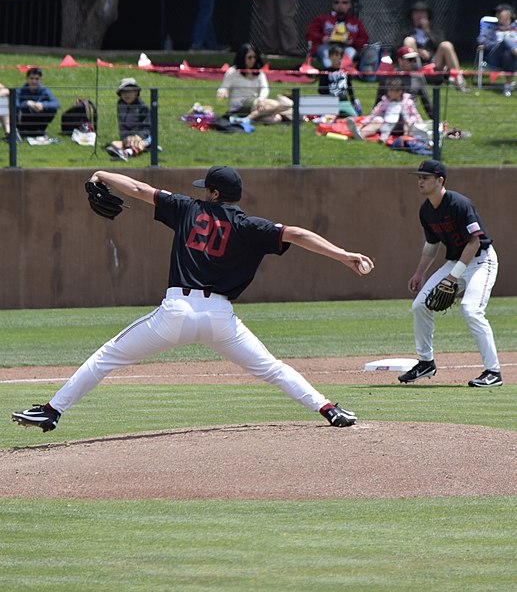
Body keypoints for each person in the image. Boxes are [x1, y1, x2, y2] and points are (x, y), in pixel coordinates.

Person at [12, 166, 375, 433]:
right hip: (220, 318)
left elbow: (138, 188)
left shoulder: (188, 208)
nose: (203, 193)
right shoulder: (249, 226)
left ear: (215, 194)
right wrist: (345, 255)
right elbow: (295, 233)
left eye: (208, 190)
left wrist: (102, 174)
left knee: (108, 357)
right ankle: (329, 409)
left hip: (175, 312)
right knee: (272, 368)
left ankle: (52, 410)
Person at [398, 160, 502, 388]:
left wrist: (454, 276)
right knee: (419, 305)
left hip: (481, 261)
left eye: (425, 177)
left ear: (440, 180)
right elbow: (432, 245)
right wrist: (419, 274)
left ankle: (493, 372)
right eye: (419, 177)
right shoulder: (426, 210)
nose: (420, 181)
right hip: (455, 261)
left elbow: (474, 242)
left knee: (471, 309)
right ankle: (426, 362)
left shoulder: (459, 203)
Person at [216, 43, 293, 124]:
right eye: (249, 57)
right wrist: (222, 92)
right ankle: (247, 119)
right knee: (276, 105)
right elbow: (223, 87)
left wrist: (261, 99)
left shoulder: (258, 72)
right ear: (242, 57)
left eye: (254, 57)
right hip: (238, 105)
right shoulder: (232, 72)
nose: (252, 60)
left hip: (255, 102)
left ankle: (245, 119)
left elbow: (265, 88)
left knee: (276, 119)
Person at [402, 1, 468, 92]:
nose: (419, 15)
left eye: (422, 12)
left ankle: (458, 80)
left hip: (434, 64)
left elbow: (439, 45)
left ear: (427, 15)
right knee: (409, 40)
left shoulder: (436, 32)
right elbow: (399, 49)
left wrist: (427, 31)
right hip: (415, 63)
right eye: (416, 13)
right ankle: (409, 80)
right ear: (412, 15)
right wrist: (418, 51)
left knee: (446, 45)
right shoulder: (406, 31)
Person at [346, 77, 422, 143]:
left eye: (392, 90)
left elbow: (415, 114)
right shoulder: (386, 101)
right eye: (389, 90)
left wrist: (420, 123)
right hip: (386, 125)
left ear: (400, 92)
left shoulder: (408, 102)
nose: (389, 93)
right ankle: (361, 134)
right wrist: (364, 122)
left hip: (402, 126)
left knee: (408, 121)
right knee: (377, 120)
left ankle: (406, 138)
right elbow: (376, 112)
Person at [306, 0, 368, 69]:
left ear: (349, 5)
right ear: (333, 5)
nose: (340, 5)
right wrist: (322, 38)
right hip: (326, 46)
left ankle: (342, 69)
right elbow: (310, 33)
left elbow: (364, 39)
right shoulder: (323, 19)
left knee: (351, 51)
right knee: (324, 51)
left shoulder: (355, 22)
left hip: (347, 47)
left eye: (344, 2)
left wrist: (352, 41)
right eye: (337, 2)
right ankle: (330, 70)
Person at [374, 46, 433, 119]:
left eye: (415, 60)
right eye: (410, 59)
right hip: (388, 115)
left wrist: (436, 122)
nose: (413, 62)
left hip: (409, 116)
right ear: (400, 60)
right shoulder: (388, 77)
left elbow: (426, 103)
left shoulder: (418, 77)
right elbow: (378, 101)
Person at [106, 78, 151, 162]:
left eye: (129, 91)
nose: (126, 95)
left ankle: (127, 153)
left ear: (136, 92)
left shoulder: (143, 107)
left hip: (142, 137)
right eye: (124, 92)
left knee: (139, 143)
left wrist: (137, 137)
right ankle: (124, 150)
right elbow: (122, 125)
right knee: (113, 144)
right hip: (127, 138)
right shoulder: (120, 104)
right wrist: (126, 138)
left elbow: (148, 129)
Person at [477, 4, 517, 97]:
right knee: (506, 39)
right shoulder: (491, 28)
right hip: (495, 58)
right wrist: (499, 44)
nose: (497, 15)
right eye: (496, 13)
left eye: (500, 12)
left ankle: (507, 85)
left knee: (508, 53)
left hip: (512, 58)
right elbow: (481, 40)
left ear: (509, 14)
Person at [15, 67, 60, 137]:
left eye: (36, 79)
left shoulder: (44, 90)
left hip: (39, 117)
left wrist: (43, 105)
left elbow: (56, 103)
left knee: (52, 109)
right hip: (24, 120)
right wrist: (27, 103)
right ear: (27, 79)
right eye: (31, 78)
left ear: (40, 80)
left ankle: (39, 130)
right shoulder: (20, 90)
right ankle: (22, 131)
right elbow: (14, 105)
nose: (34, 81)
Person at [317, 45, 359, 117]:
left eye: (339, 55)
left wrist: (353, 100)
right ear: (330, 57)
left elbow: (349, 87)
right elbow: (321, 89)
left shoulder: (346, 71)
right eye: (334, 55)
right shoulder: (325, 72)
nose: (337, 58)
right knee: (327, 119)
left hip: (344, 101)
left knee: (354, 117)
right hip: (330, 102)